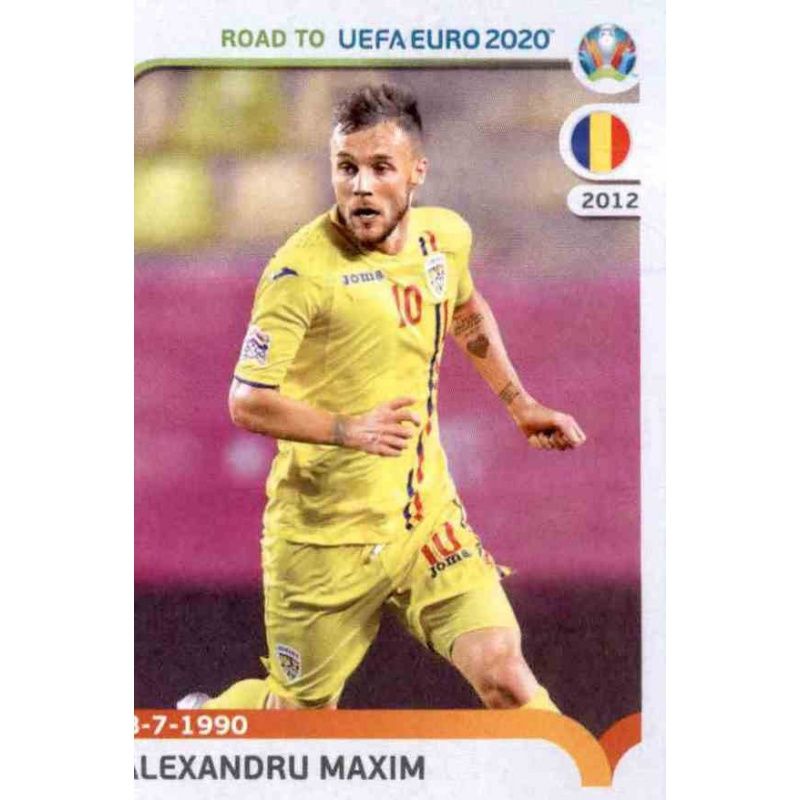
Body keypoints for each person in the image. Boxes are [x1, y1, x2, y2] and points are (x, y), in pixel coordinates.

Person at [180, 83, 586, 713]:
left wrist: (519, 402)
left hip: (424, 519)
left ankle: (577, 766)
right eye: (347, 168)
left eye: (379, 167)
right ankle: (208, 719)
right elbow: (247, 400)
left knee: (505, 675)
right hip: (323, 538)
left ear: (416, 171)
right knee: (298, 719)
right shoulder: (299, 273)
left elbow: (465, 309)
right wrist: (349, 429)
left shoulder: (445, 238)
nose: (361, 187)